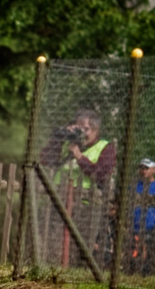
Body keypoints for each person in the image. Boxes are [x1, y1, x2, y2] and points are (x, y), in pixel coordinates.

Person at [38, 109, 117, 267]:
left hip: (86, 207)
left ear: (96, 130)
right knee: (53, 247)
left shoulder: (106, 148)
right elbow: (45, 159)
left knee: (79, 250)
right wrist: (59, 139)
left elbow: (101, 173)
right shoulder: (68, 145)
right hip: (59, 203)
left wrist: (79, 156)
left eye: (85, 129)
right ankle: (52, 274)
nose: (81, 133)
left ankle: (75, 278)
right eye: (78, 127)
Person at [130, 158, 155, 276]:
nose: (144, 171)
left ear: (153, 170)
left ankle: (147, 274)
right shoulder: (134, 186)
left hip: (151, 226)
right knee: (135, 250)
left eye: (147, 168)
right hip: (135, 224)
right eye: (142, 168)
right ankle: (133, 272)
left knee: (148, 251)